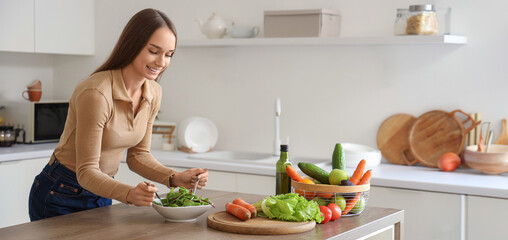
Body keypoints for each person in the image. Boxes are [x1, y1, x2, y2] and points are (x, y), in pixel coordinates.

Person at [28, 8, 208, 221]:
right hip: (60, 192)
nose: (162, 63)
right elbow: (85, 171)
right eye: (154, 51)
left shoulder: (153, 92)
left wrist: (174, 178)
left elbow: (138, 156)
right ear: (132, 45)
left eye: (169, 55)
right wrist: (129, 193)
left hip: (103, 190)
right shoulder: (97, 93)